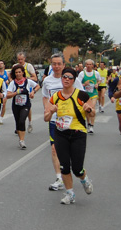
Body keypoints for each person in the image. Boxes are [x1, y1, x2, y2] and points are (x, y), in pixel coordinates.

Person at [44, 67, 94, 205]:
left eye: (69, 77)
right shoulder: (55, 97)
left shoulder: (81, 95)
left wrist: (88, 109)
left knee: (77, 168)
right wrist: (51, 111)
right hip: (61, 134)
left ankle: (84, 179)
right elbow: (46, 118)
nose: (66, 79)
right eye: (64, 77)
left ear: (74, 80)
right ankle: (70, 193)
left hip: (78, 133)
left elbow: (92, 113)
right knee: (64, 166)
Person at [41, 54, 85, 191]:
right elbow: (45, 97)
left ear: (63, 64)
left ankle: (78, 174)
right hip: (55, 121)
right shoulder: (47, 80)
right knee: (54, 149)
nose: (56, 66)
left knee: (73, 157)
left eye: (59, 63)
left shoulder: (73, 80)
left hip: (73, 122)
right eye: (54, 64)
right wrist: (48, 110)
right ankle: (59, 177)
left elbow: (83, 97)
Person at [7, 64, 40, 149]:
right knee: (18, 122)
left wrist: (33, 92)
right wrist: (15, 93)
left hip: (25, 105)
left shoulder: (28, 81)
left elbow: (37, 86)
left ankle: (22, 140)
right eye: (16, 72)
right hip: (16, 105)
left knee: (22, 120)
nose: (18, 74)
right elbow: (8, 95)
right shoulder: (13, 83)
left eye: (19, 72)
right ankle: (20, 139)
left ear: (23, 73)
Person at [14, 52, 38, 133]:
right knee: (17, 107)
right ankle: (18, 126)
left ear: (24, 58)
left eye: (21, 59)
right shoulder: (15, 66)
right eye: (19, 59)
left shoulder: (29, 66)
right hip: (17, 89)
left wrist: (26, 79)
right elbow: (11, 77)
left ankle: (30, 123)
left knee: (27, 107)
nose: (20, 61)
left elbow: (35, 77)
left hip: (26, 89)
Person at [77, 59, 101, 133]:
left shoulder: (96, 73)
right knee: (87, 109)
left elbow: (99, 80)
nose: (89, 66)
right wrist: (84, 84)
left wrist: (97, 84)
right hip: (85, 94)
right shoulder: (82, 74)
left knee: (92, 108)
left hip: (93, 93)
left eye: (90, 64)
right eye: (87, 64)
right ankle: (88, 123)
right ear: (85, 65)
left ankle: (92, 125)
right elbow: (77, 83)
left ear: (93, 65)